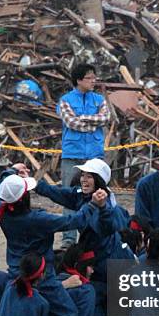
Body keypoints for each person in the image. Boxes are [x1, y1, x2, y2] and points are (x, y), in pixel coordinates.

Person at [0, 173, 112, 316]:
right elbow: (73, 222)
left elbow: (1, 191)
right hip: (42, 275)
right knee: (68, 314)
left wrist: (9, 173)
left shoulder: (2, 212)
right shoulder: (37, 219)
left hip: (16, 273)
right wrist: (92, 205)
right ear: (25, 197)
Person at [36, 158, 133, 282]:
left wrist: (102, 208)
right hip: (94, 255)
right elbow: (61, 193)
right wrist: (36, 185)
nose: (84, 180)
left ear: (99, 181)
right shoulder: (82, 194)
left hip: (107, 260)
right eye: (83, 175)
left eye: (89, 177)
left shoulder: (104, 204)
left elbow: (104, 228)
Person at [57, 63, 111, 247]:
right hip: (73, 155)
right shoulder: (65, 100)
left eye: (94, 77)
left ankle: (93, 236)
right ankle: (69, 240)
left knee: (98, 195)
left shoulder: (99, 99)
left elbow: (105, 118)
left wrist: (84, 119)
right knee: (70, 197)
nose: (93, 81)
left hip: (95, 156)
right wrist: (92, 121)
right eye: (89, 77)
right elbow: (72, 123)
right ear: (78, 79)